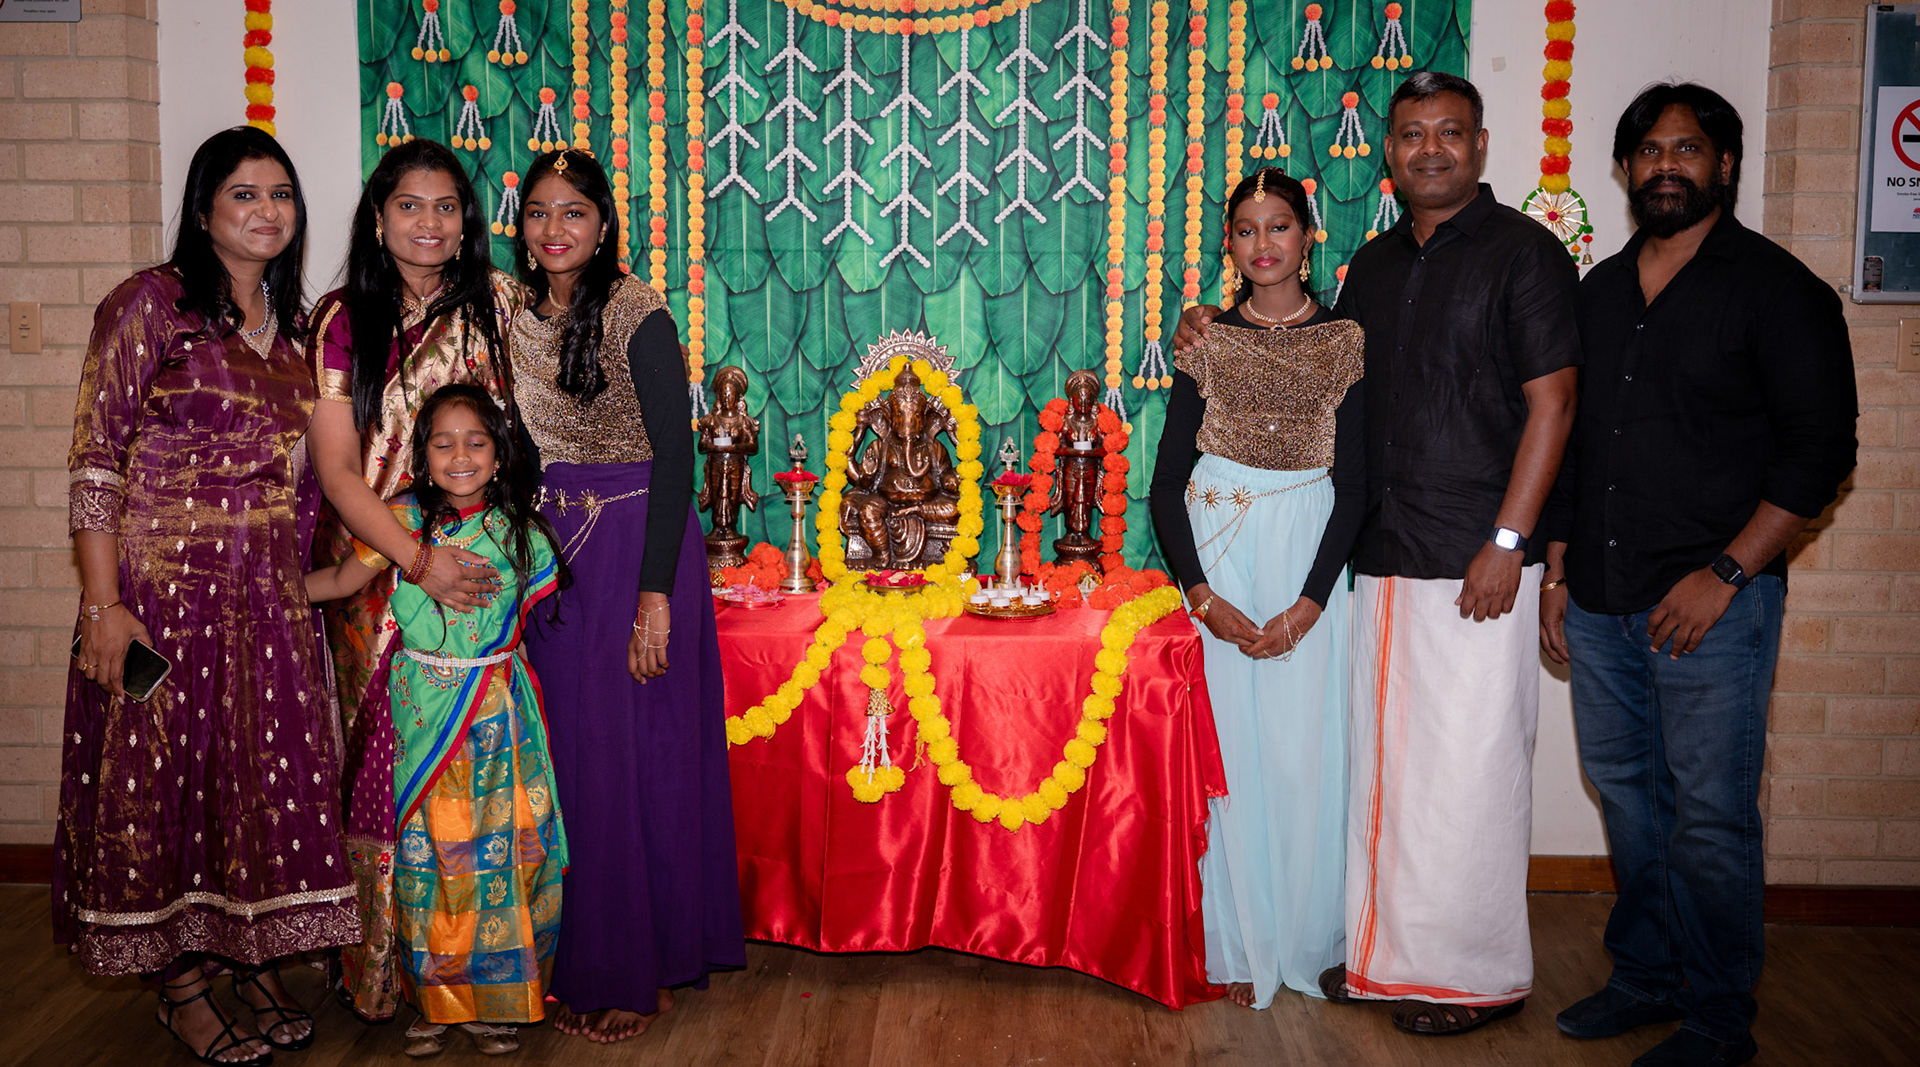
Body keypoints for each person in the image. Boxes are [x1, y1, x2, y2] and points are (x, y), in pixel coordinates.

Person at [1176, 71, 1580, 1035]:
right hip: (1384, 556)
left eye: (1450, 132)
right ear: (1390, 153)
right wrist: (1205, 326)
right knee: (1386, 773)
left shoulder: (1526, 254)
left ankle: (1475, 976)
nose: (1430, 148)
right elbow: (1329, 389)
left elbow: (1556, 403)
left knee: (1470, 770)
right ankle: (1386, 954)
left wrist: (1512, 541)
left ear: (1480, 145)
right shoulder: (1375, 265)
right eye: (1411, 134)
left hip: (1478, 557)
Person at [1539, 84, 1857, 1067]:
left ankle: (1719, 1015)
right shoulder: (1598, 292)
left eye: (1687, 148)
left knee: (1710, 816)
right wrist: (1556, 571)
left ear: (1725, 163)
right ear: (1627, 168)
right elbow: (1573, 440)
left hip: (1714, 608)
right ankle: (1648, 974)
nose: (1666, 165)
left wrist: (1726, 572)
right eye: (1649, 150)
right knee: (1631, 799)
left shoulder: (1778, 290)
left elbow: (1820, 453)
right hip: (1599, 600)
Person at [56, 126, 357, 1066]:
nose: (268, 211)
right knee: (164, 789)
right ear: (202, 210)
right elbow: (96, 460)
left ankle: (248, 958)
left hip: (265, 603)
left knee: (253, 788)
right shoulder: (151, 305)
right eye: (244, 194)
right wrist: (104, 605)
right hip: (161, 599)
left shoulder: (295, 330)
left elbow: (313, 479)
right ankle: (181, 988)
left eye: (282, 194)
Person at [510, 149, 745, 1044]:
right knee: (571, 755)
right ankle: (576, 953)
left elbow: (677, 453)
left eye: (574, 212)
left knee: (634, 753)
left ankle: (645, 966)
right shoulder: (511, 313)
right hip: (550, 551)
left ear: (603, 224)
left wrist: (655, 596)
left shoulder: (637, 310)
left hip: (637, 544)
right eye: (539, 211)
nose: (555, 228)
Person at [307, 139, 524, 1021]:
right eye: (409, 205)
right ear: (378, 218)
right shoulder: (342, 318)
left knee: (469, 772)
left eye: (445, 206)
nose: (428, 223)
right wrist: (414, 557)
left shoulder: (498, 306)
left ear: (466, 221)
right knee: (378, 768)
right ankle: (378, 970)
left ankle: (471, 964)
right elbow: (337, 471)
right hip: (374, 578)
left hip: (475, 577)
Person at [1148, 167, 1364, 1009]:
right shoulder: (1207, 339)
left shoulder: (1345, 340)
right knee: (1229, 752)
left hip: (1308, 555)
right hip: (1221, 549)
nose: (1263, 243)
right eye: (1246, 229)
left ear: (1307, 237)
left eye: (1279, 226)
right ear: (1229, 245)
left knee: (1304, 749)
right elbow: (1165, 484)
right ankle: (1235, 939)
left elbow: (1359, 486)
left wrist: (1311, 602)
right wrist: (1202, 597)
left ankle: (1308, 940)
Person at [307, 384, 569, 1058]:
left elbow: (541, 632)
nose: (460, 456)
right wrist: (265, 592)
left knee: (495, 857)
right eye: (443, 443)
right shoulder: (402, 523)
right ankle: (433, 1001)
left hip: (497, 725)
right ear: (422, 456)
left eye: (476, 442)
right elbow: (341, 582)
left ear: (499, 454)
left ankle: (492, 1002)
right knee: (427, 860)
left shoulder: (522, 532)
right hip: (420, 719)